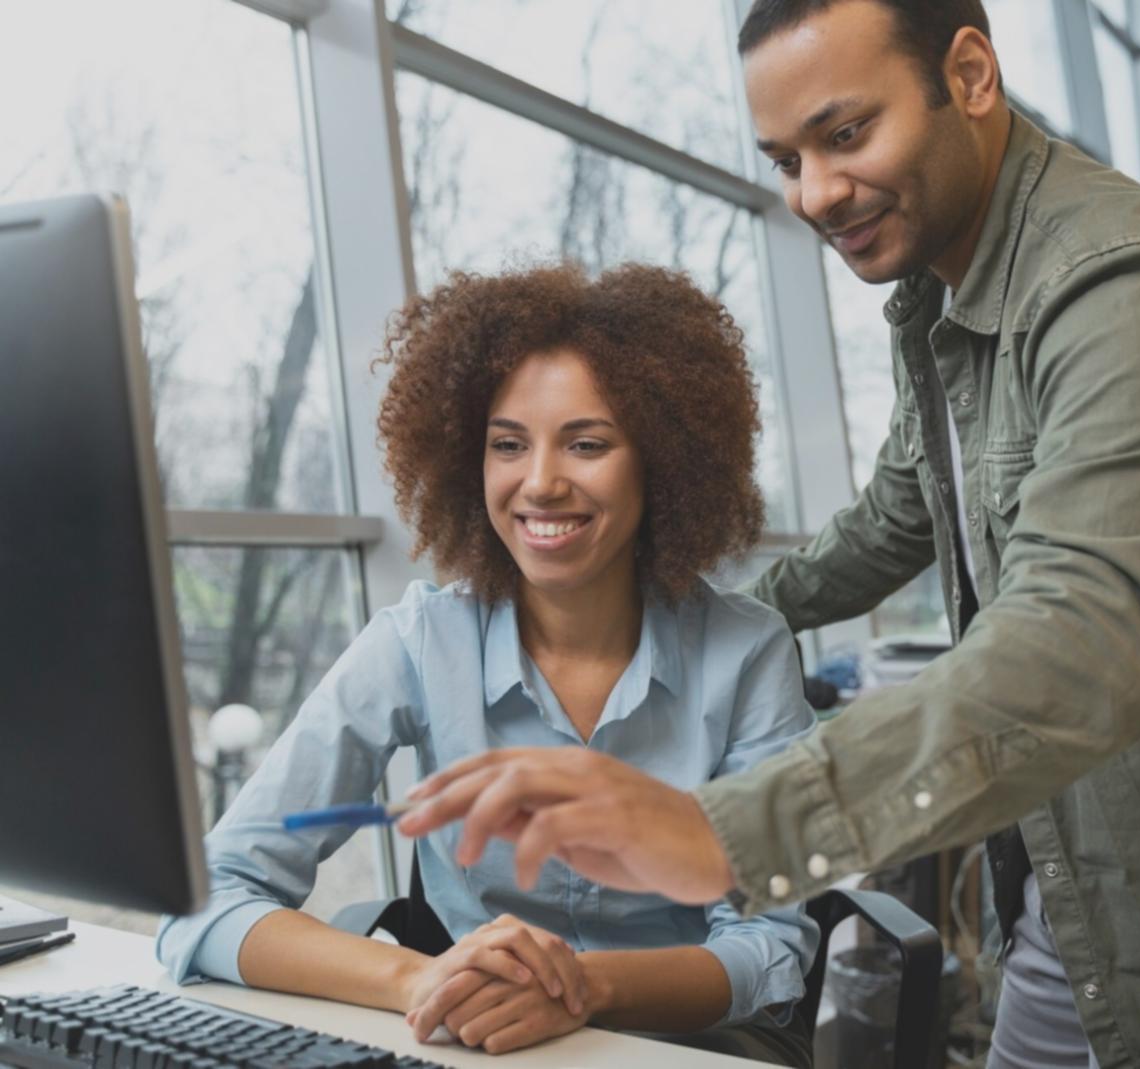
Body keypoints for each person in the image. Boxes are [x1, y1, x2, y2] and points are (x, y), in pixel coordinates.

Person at [397, 3, 1140, 1067]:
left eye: (845, 133)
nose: (815, 193)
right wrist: (674, 622)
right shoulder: (938, 294)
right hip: (1091, 857)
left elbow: (1087, 639)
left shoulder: (1123, 287)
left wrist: (722, 832)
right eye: (784, 159)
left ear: (968, 76)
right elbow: (894, 517)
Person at [157, 263, 818, 1066]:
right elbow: (209, 896)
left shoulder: (748, 651)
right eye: (508, 444)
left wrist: (582, 985)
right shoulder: (417, 641)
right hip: (476, 1039)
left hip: (685, 1044)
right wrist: (422, 979)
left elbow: (768, 946)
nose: (539, 483)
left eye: (587, 443)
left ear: (662, 461)